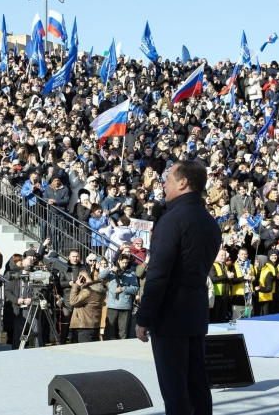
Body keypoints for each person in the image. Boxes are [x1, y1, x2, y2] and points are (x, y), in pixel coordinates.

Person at [135, 160, 221, 415]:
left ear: (183, 183)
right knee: (197, 385)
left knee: (175, 391)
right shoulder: (210, 222)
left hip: (171, 316)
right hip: (196, 313)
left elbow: (158, 274)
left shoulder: (172, 220)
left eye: (169, 179)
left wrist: (144, 317)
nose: (164, 183)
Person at [98, 254, 139, 340]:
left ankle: (122, 349)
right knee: (109, 329)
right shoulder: (112, 272)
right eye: (123, 262)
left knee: (123, 331)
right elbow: (100, 277)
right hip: (112, 305)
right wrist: (109, 269)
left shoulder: (131, 274)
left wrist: (123, 289)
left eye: (126, 263)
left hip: (125, 305)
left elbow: (135, 288)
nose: (125, 264)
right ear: (119, 261)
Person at [69, 269, 106, 343]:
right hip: (94, 325)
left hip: (83, 326)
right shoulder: (99, 290)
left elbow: (73, 301)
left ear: (81, 278)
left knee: (82, 351)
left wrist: (75, 286)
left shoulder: (87, 292)